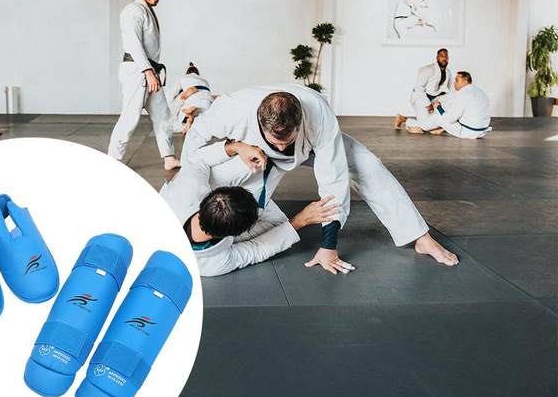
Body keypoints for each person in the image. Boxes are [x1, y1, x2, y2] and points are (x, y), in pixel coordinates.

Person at [179, 84, 458, 274]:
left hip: (309, 146)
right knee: (237, 204)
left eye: (286, 140)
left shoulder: (317, 113)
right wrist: (193, 182)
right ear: (261, 124)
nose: (281, 147)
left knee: (368, 165)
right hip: (253, 153)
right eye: (276, 141)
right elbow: (196, 140)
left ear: (299, 123)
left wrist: (329, 245)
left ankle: (419, 236)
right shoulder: (232, 109)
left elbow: (333, 178)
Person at [161, 159, 346, 276]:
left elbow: (198, 162)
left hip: (195, 198)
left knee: (230, 167)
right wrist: (300, 220)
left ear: (207, 199)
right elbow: (257, 250)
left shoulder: (185, 190)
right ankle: (256, 196)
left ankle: (265, 167)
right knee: (279, 223)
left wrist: (234, 147)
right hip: (222, 238)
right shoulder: (212, 264)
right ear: (237, 233)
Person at [107, 0, 180, 170]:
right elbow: (133, 43)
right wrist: (147, 71)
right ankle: (112, 159)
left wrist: (151, 72)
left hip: (149, 71)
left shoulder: (146, 11)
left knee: (163, 115)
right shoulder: (132, 10)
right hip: (137, 71)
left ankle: (169, 157)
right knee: (130, 117)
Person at [405, 71, 492, 139]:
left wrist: (438, 107)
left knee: (436, 117)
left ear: (465, 81)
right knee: (449, 112)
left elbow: (449, 119)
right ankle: (441, 128)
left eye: (457, 80)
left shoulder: (463, 94)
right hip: (482, 131)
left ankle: (413, 124)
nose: (454, 83)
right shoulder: (479, 91)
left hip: (468, 132)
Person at [395, 48, 451, 131]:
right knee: (425, 125)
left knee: (446, 110)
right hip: (420, 99)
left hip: (435, 99)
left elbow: (447, 89)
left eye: (446, 56)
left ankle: (439, 126)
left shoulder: (448, 72)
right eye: (442, 56)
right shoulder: (428, 69)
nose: (444, 58)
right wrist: (427, 104)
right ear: (437, 57)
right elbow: (418, 88)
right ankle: (403, 119)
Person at [168, 62, 215, 134]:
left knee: (173, 124)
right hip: (207, 102)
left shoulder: (184, 78)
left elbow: (171, 94)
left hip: (192, 99)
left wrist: (173, 104)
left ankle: (188, 119)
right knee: (204, 121)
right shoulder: (204, 80)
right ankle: (191, 118)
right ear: (197, 73)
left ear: (187, 73)